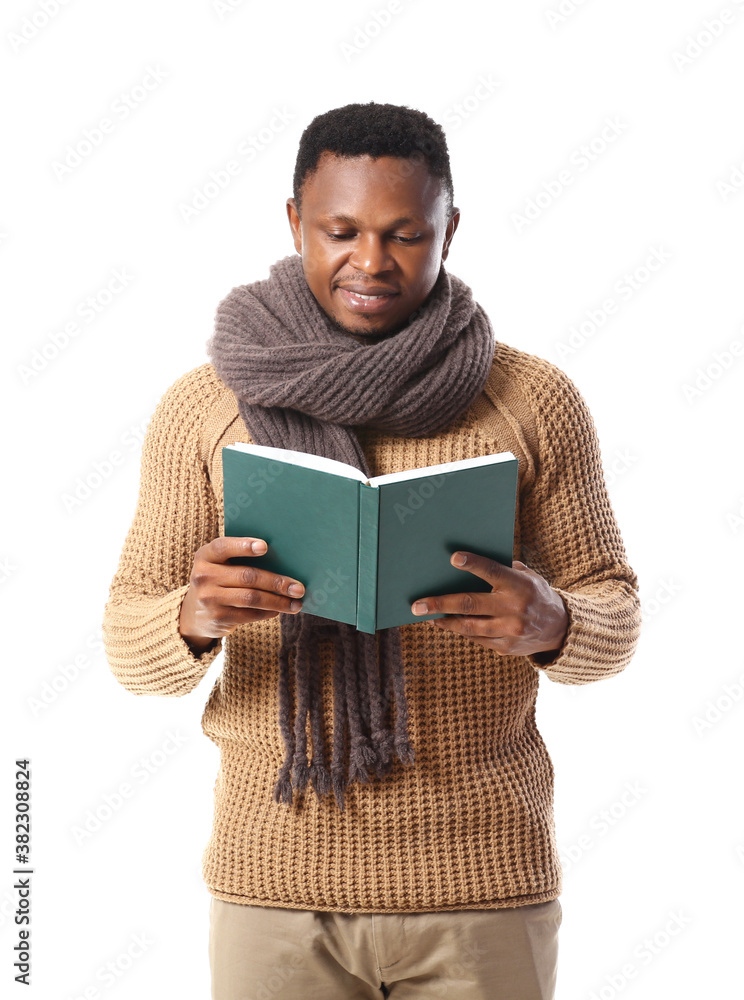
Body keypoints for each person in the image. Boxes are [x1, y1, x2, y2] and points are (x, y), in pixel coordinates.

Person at [102, 101, 641, 1000]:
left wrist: (555, 621)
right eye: (341, 230)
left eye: (405, 234)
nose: (371, 262)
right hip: (273, 890)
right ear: (293, 223)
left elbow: (614, 615)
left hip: (481, 890)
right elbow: (128, 644)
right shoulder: (206, 406)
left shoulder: (531, 399)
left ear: (450, 230)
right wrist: (192, 618)